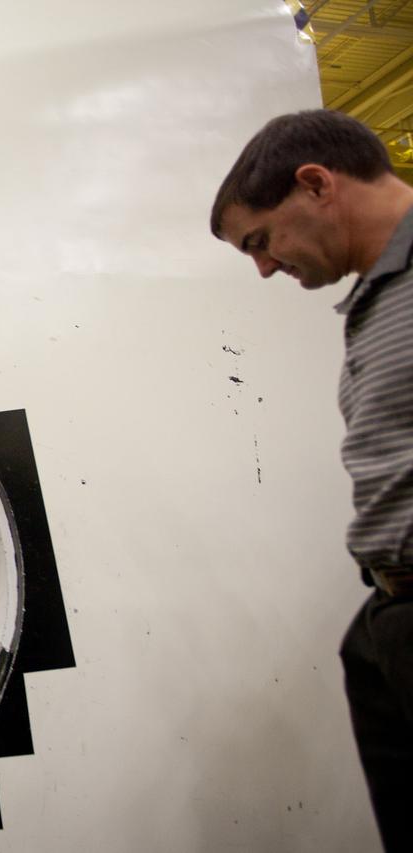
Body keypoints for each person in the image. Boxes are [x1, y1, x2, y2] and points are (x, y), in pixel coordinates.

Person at [210, 109, 413, 851]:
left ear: (317, 184)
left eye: (260, 241)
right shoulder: (377, 299)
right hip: (389, 613)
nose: (263, 267)